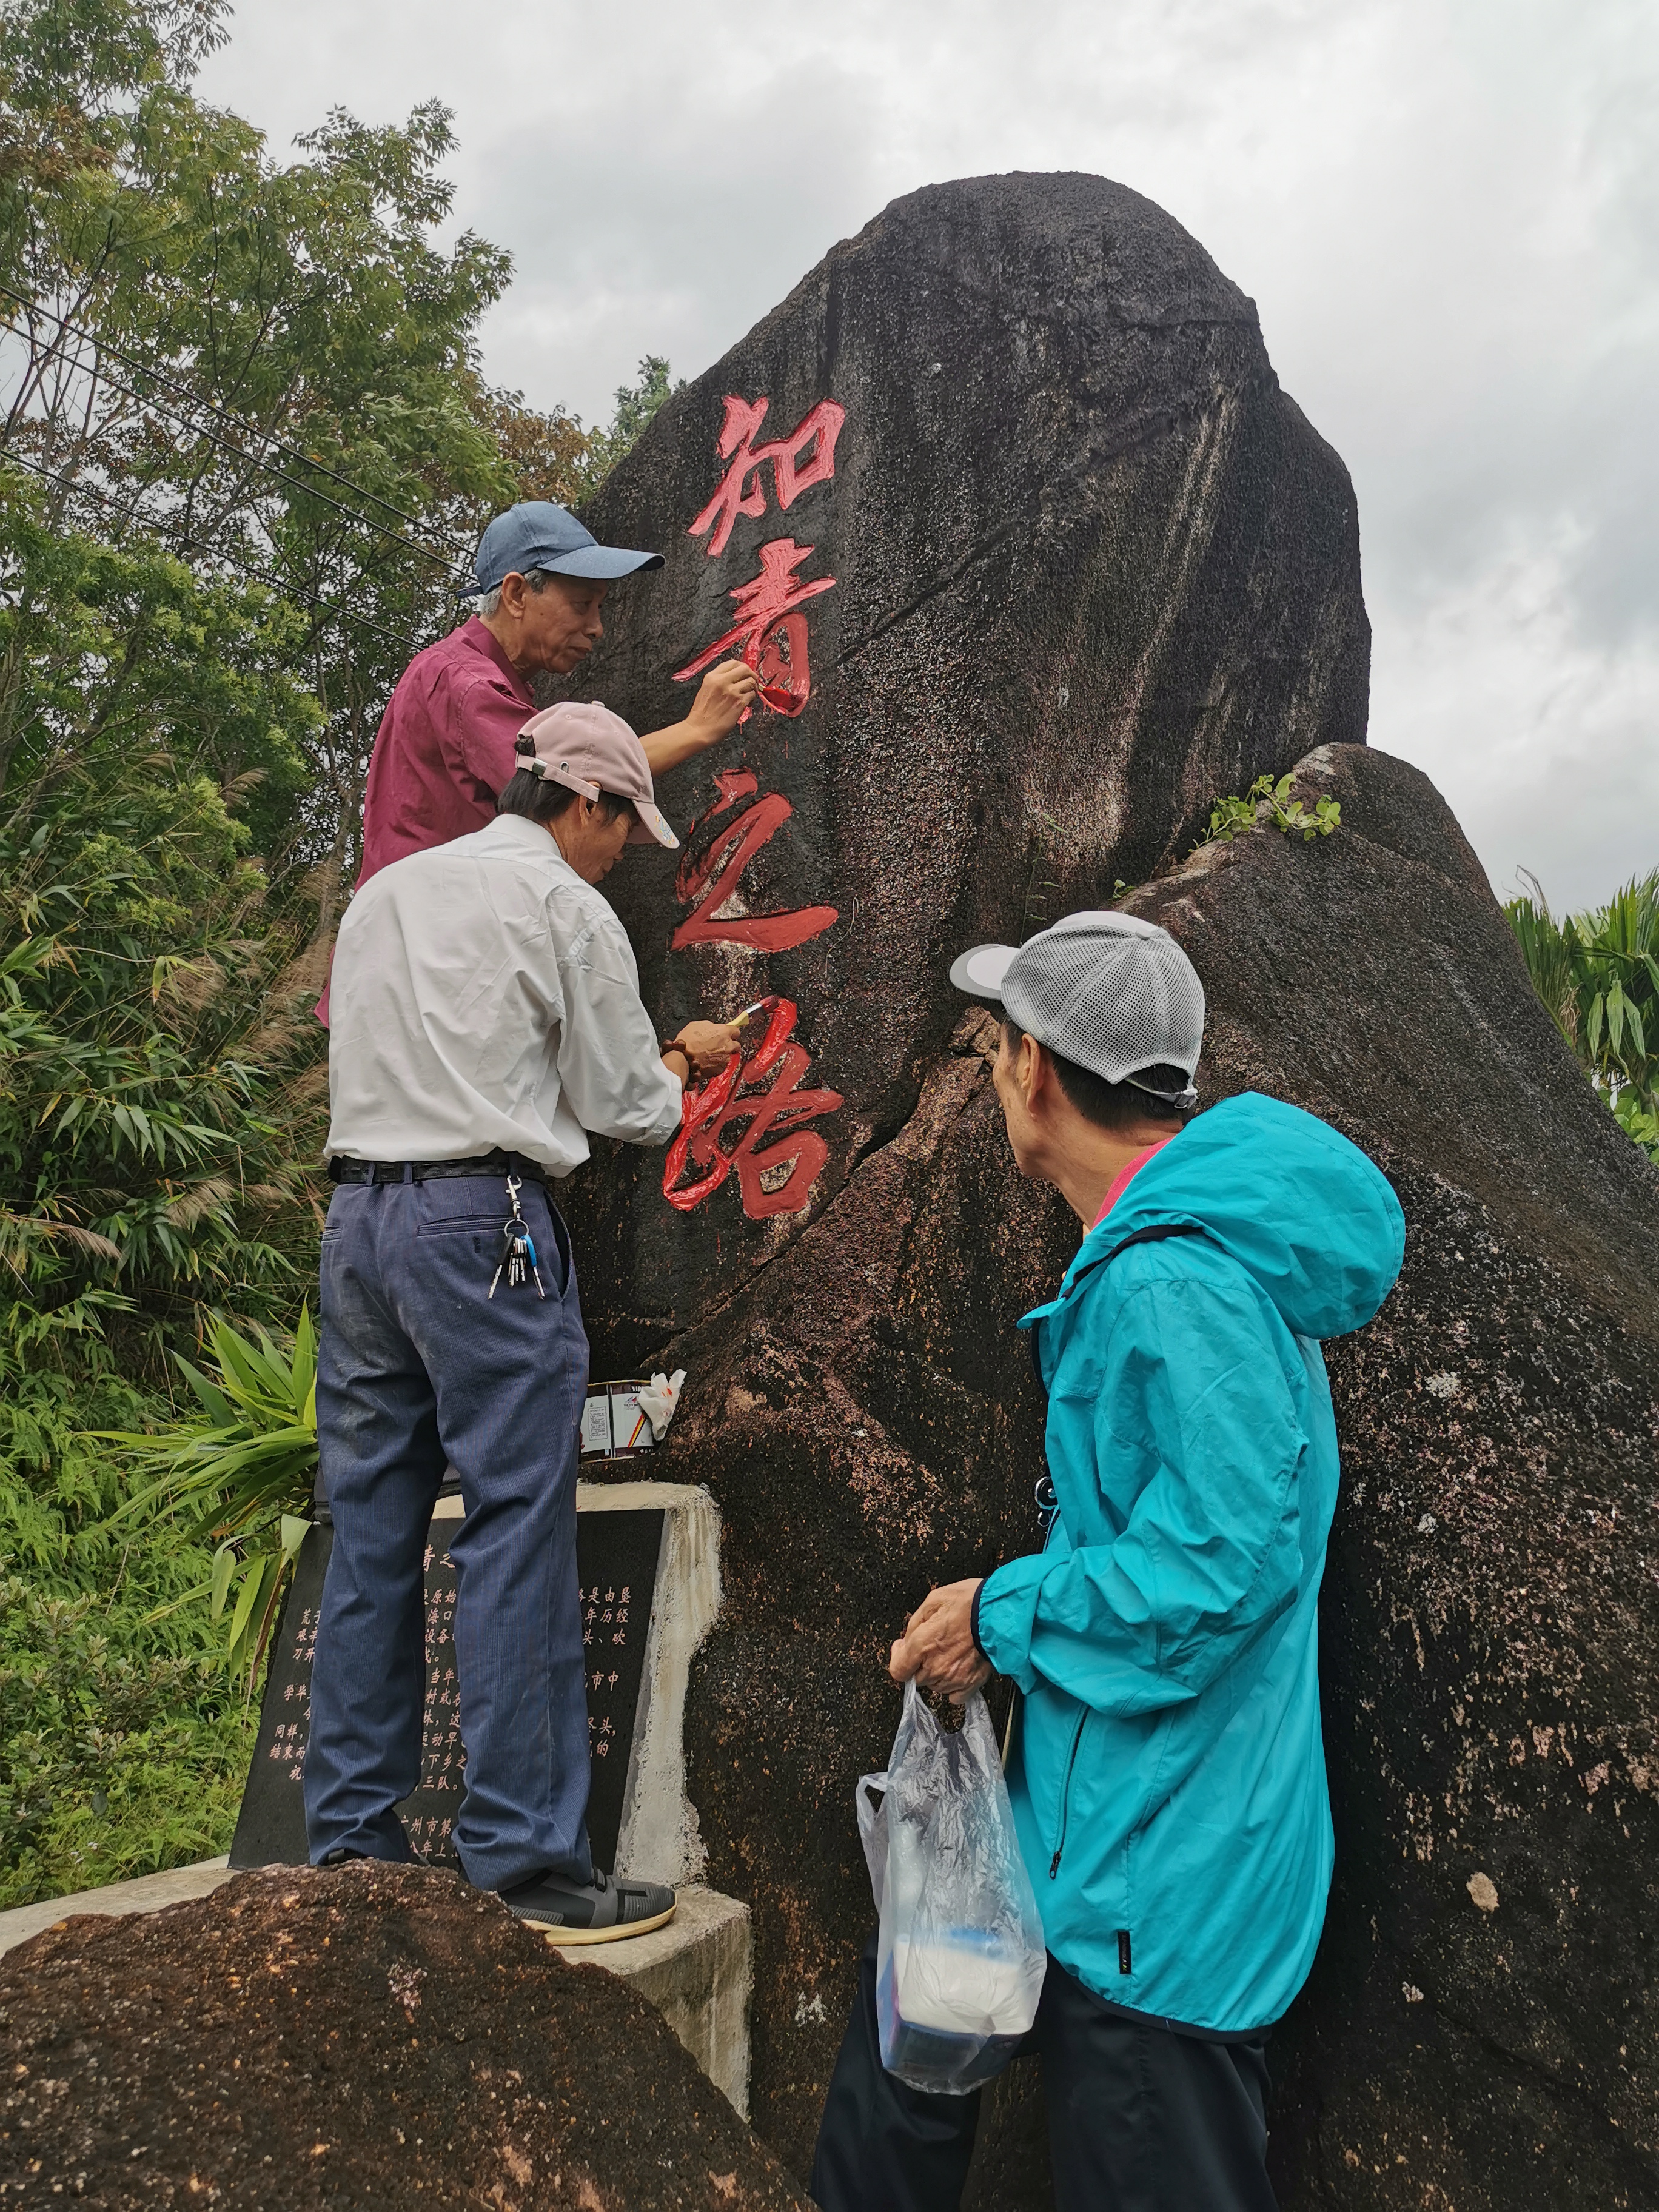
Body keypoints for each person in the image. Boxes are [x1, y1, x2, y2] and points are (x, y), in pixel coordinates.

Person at [811, 911, 1405, 2210]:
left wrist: (1000, 1614)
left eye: (995, 1048)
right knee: (900, 2062)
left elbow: (1214, 1577)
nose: (992, 1074)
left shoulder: (1170, 1287)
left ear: (1033, 1067)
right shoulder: (1173, 1257)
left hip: (1166, 1889)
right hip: (1114, 1841)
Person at [304, 699, 741, 1942]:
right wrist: (685, 1064)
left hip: (359, 1229)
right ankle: (523, 1859)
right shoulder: (564, 906)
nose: (622, 854)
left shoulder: (386, 893)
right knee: (514, 1527)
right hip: (481, 1225)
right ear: (583, 805)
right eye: (623, 829)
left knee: (372, 1530)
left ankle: (348, 1846)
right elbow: (623, 1107)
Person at [357, 498, 758, 888]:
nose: (596, 627)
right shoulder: (469, 684)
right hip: (430, 934)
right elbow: (567, 780)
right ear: (516, 595)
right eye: (582, 604)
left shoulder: (461, 670)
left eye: (599, 607)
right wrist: (697, 728)